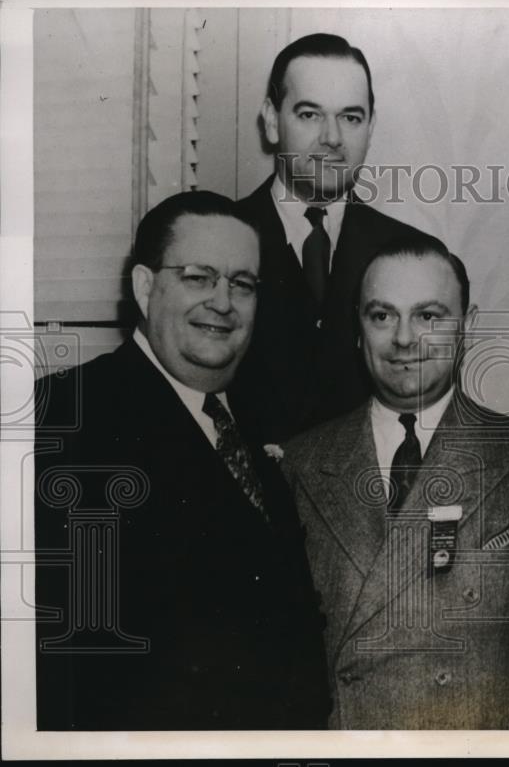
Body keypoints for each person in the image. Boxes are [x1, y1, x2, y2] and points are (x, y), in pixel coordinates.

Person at [34, 191, 330, 730]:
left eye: (242, 284)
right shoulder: (65, 420)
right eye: (199, 277)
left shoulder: (253, 423)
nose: (223, 301)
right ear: (146, 287)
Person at [282, 233, 509, 729]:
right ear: (358, 329)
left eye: (428, 316)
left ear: (467, 326)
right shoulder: (302, 461)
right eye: (382, 316)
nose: (404, 340)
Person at [232, 32, 424, 441]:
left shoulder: (415, 256)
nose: (332, 138)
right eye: (309, 114)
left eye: (350, 117)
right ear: (271, 120)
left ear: (371, 127)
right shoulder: (217, 242)